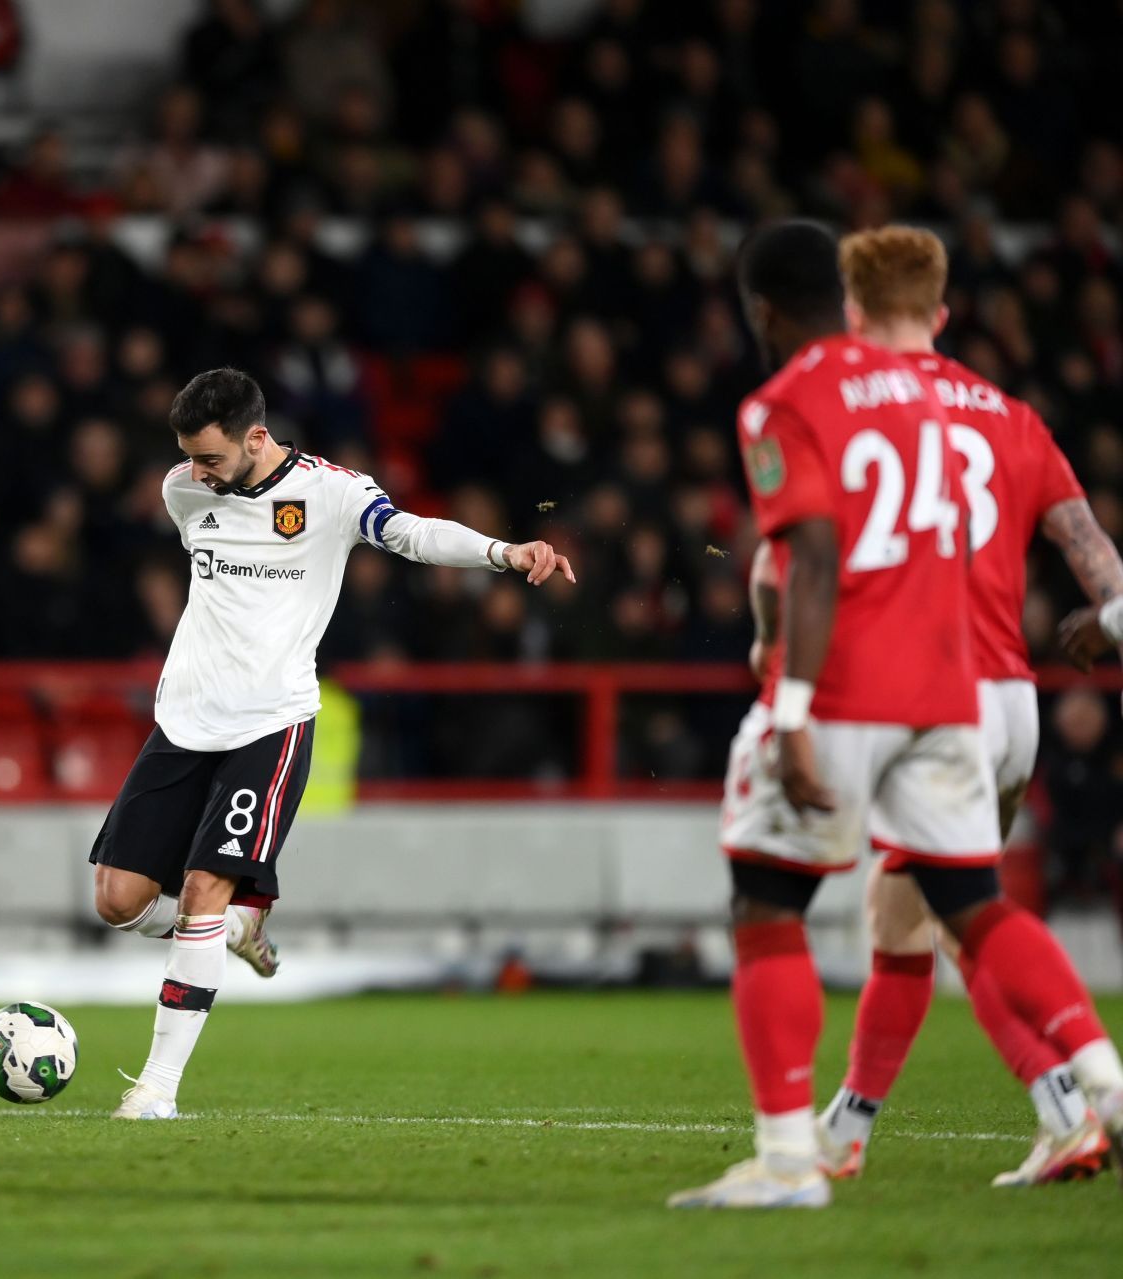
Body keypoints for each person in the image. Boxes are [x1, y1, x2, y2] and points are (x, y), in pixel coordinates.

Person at [670, 220, 1121, 1210]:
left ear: (767, 312)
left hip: (851, 679)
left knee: (770, 899)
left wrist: (786, 697)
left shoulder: (790, 401)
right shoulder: (974, 404)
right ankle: (1093, 1079)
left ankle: (793, 1155)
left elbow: (805, 557)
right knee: (964, 904)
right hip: (964, 692)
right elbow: (1085, 545)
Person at [94, 368, 573, 1120]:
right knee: (118, 900)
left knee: (197, 894)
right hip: (184, 720)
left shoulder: (333, 493)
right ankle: (237, 927)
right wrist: (198, 472)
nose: (198, 473)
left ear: (258, 438)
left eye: (212, 458)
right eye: (189, 456)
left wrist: (502, 553)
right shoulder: (183, 491)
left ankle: (156, 1088)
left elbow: (413, 533)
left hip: (269, 724)